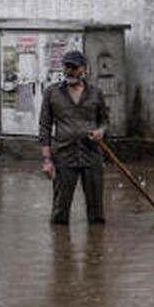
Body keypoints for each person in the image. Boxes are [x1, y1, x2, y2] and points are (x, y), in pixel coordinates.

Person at [38, 50, 110, 225]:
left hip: (91, 156)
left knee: (96, 214)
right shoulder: (52, 93)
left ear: (83, 69)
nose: (69, 70)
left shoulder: (96, 93)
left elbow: (105, 120)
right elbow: (45, 127)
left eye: (74, 67)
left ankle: (95, 251)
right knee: (60, 213)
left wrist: (102, 131)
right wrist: (47, 160)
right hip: (63, 156)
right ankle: (61, 250)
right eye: (66, 66)